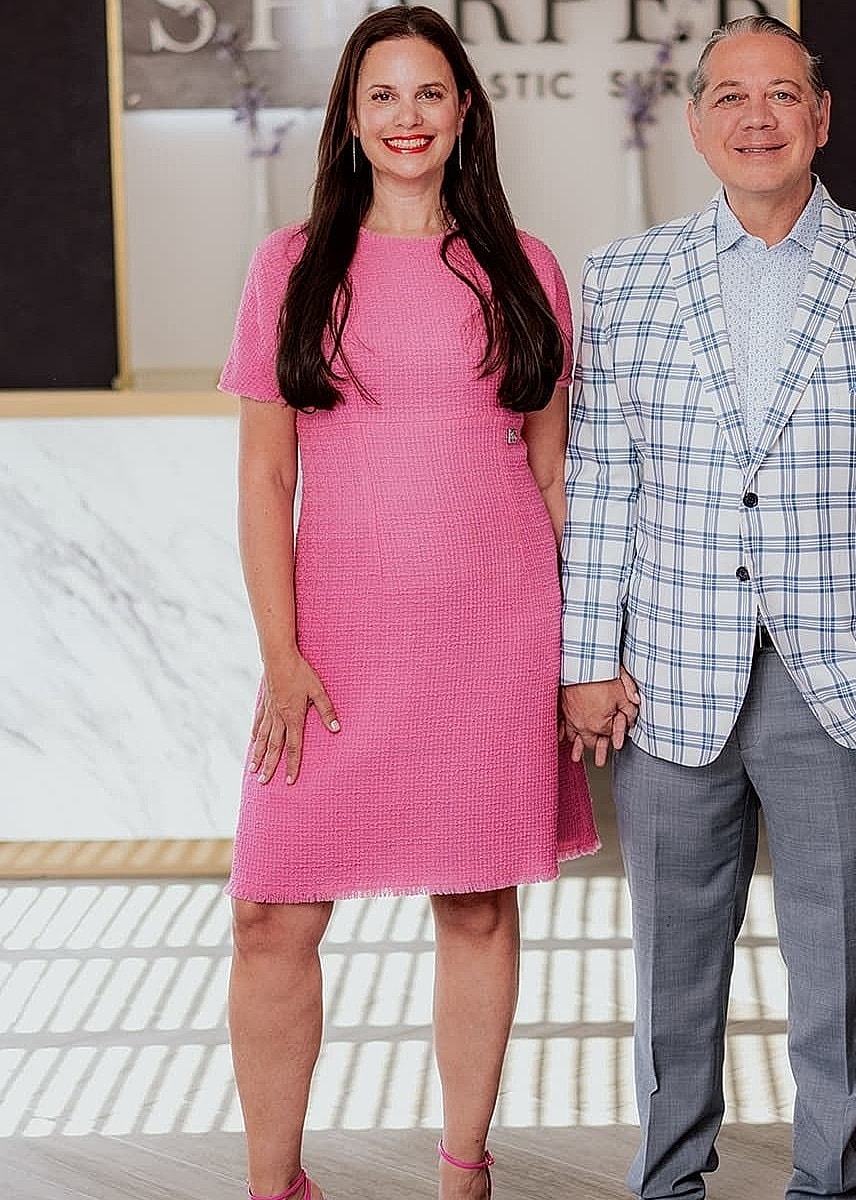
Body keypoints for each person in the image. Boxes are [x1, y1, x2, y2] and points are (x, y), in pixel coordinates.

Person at [560, 15, 856, 1200]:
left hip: (852, 680)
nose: (759, 117)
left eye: (784, 94)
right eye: (732, 97)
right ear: (697, 124)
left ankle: (829, 1181)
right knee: (671, 962)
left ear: (822, 118)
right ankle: (668, 1181)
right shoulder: (624, 278)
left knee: (838, 964)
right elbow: (600, 483)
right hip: (665, 680)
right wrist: (586, 657)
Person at [220, 7, 597, 1200]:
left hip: (494, 634)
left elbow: (552, 475)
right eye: (381, 95)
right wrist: (282, 655)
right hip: (334, 645)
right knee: (271, 916)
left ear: (466, 111)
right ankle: (275, 1185)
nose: (406, 116)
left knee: (476, 906)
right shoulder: (289, 266)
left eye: (429, 92)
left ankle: (464, 1170)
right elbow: (265, 477)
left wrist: (578, 652)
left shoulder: (525, 266)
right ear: (348, 116)